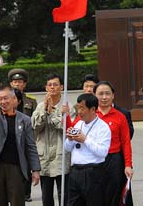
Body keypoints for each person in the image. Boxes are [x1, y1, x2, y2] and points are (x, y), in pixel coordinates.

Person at [0, 75, 40, 206]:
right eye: (0, 99)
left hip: (17, 168)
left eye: (5, 98)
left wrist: (35, 169)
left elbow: (30, 146)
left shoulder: (25, 120)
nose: (3, 102)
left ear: (14, 100)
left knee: (17, 201)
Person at [64, 93, 111, 206]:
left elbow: (103, 152)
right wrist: (70, 140)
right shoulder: (78, 124)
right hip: (75, 172)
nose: (79, 111)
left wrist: (85, 139)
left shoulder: (103, 127)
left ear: (93, 109)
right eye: (78, 107)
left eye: (82, 108)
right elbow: (67, 148)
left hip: (93, 173)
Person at [31, 73, 70, 206]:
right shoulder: (40, 106)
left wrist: (52, 113)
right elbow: (35, 126)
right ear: (46, 87)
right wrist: (45, 111)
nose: (52, 87)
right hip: (44, 157)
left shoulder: (66, 107)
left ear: (61, 87)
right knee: (46, 196)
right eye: (50, 85)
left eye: (55, 84)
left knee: (63, 194)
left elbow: (65, 127)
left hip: (61, 156)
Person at [94, 81, 133, 205]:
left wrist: (128, 165)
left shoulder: (120, 116)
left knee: (115, 196)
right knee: (97, 195)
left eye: (107, 94)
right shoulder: (89, 114)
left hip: (114, 160)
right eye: (100, 94)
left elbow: (126, 142)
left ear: (113, 96)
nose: (104, 97)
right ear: (94, 95)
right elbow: (73, 132)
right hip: (94, 160)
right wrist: (66, 116)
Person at [8, 68, 37, 202]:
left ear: (24, 84)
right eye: (15, 82)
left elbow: (35, 119)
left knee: (27, 164)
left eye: (20, 82)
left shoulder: (30, 101)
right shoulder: (6, 100)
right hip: (11, 137)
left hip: (26, 137)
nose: (17, 84)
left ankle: (26, 192)